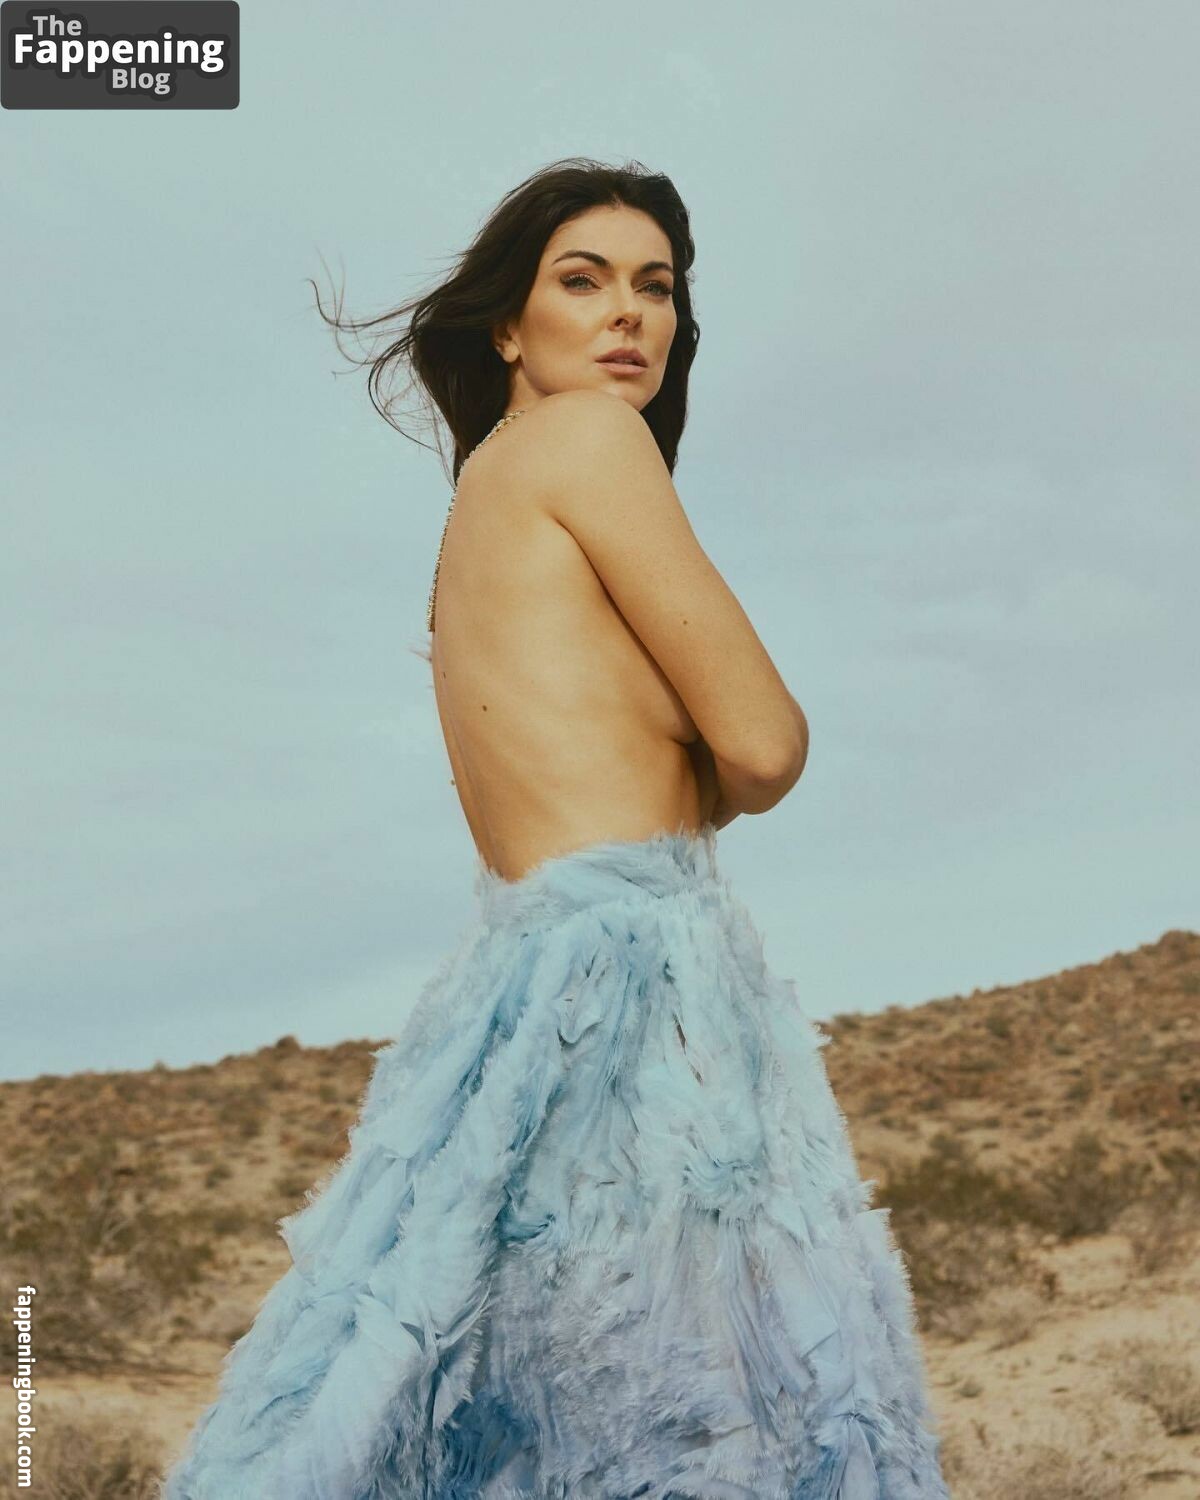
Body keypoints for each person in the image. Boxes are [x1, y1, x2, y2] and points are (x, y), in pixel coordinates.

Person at [160, 158, 950, 1499]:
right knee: (690, 1409)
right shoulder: (590, 440)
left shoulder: (478, 503)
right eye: (583, 282)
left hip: (524, 981)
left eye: (658, 287)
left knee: (511, 1400)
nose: (630, 313)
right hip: (639, 981)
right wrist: (703, 757)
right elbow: (766, 743)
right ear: (508, 328)